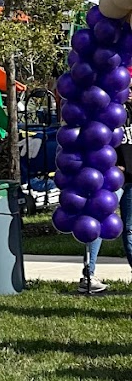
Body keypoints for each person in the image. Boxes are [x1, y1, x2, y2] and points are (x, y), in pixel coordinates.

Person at [79, 93, 132, 295]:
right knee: (97, 223)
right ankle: (88, 276)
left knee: (129, 229)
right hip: (111, 178)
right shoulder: (108, 111)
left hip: (131, 179)